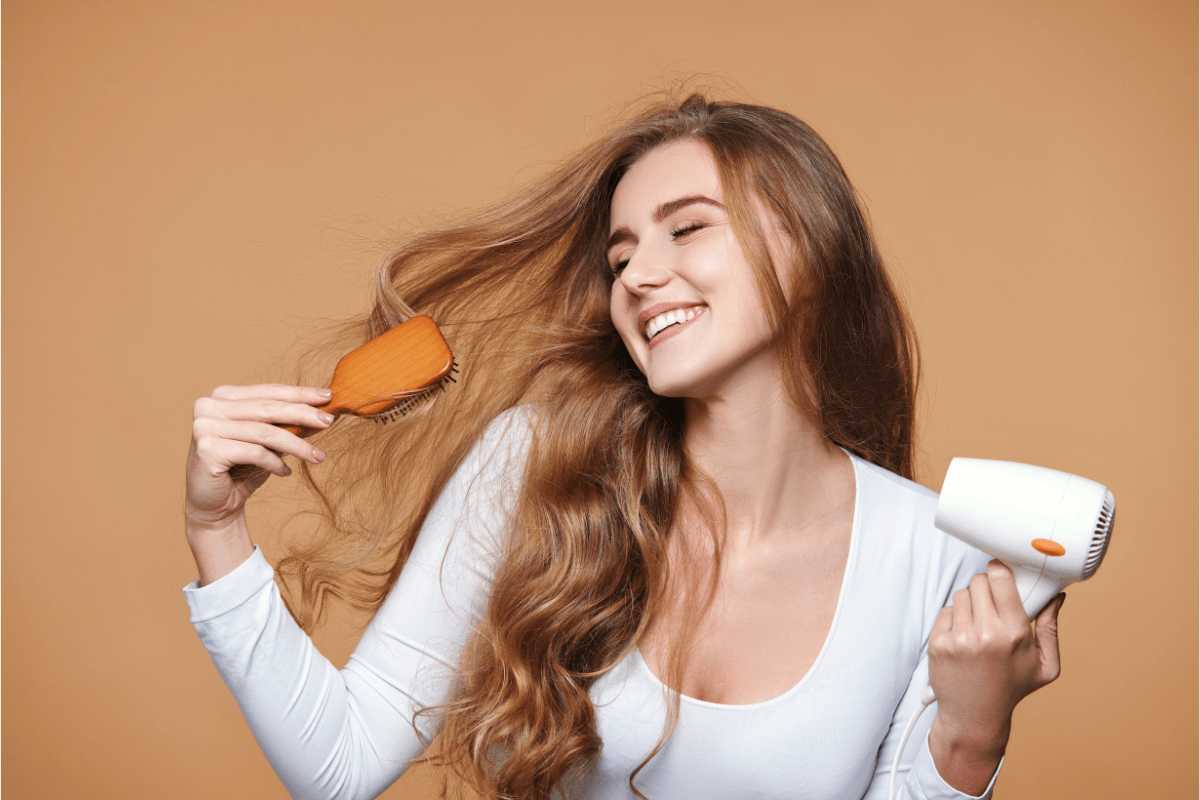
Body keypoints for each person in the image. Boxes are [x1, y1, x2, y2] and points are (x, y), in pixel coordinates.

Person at [183, 94, 1064, 800]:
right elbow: (335, 768)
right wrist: (217, 529)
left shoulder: (939, 554)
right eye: (621, 255)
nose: (639, 275)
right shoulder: (535, 469)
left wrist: (971, 736)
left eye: (687, 229)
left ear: (809, 249)